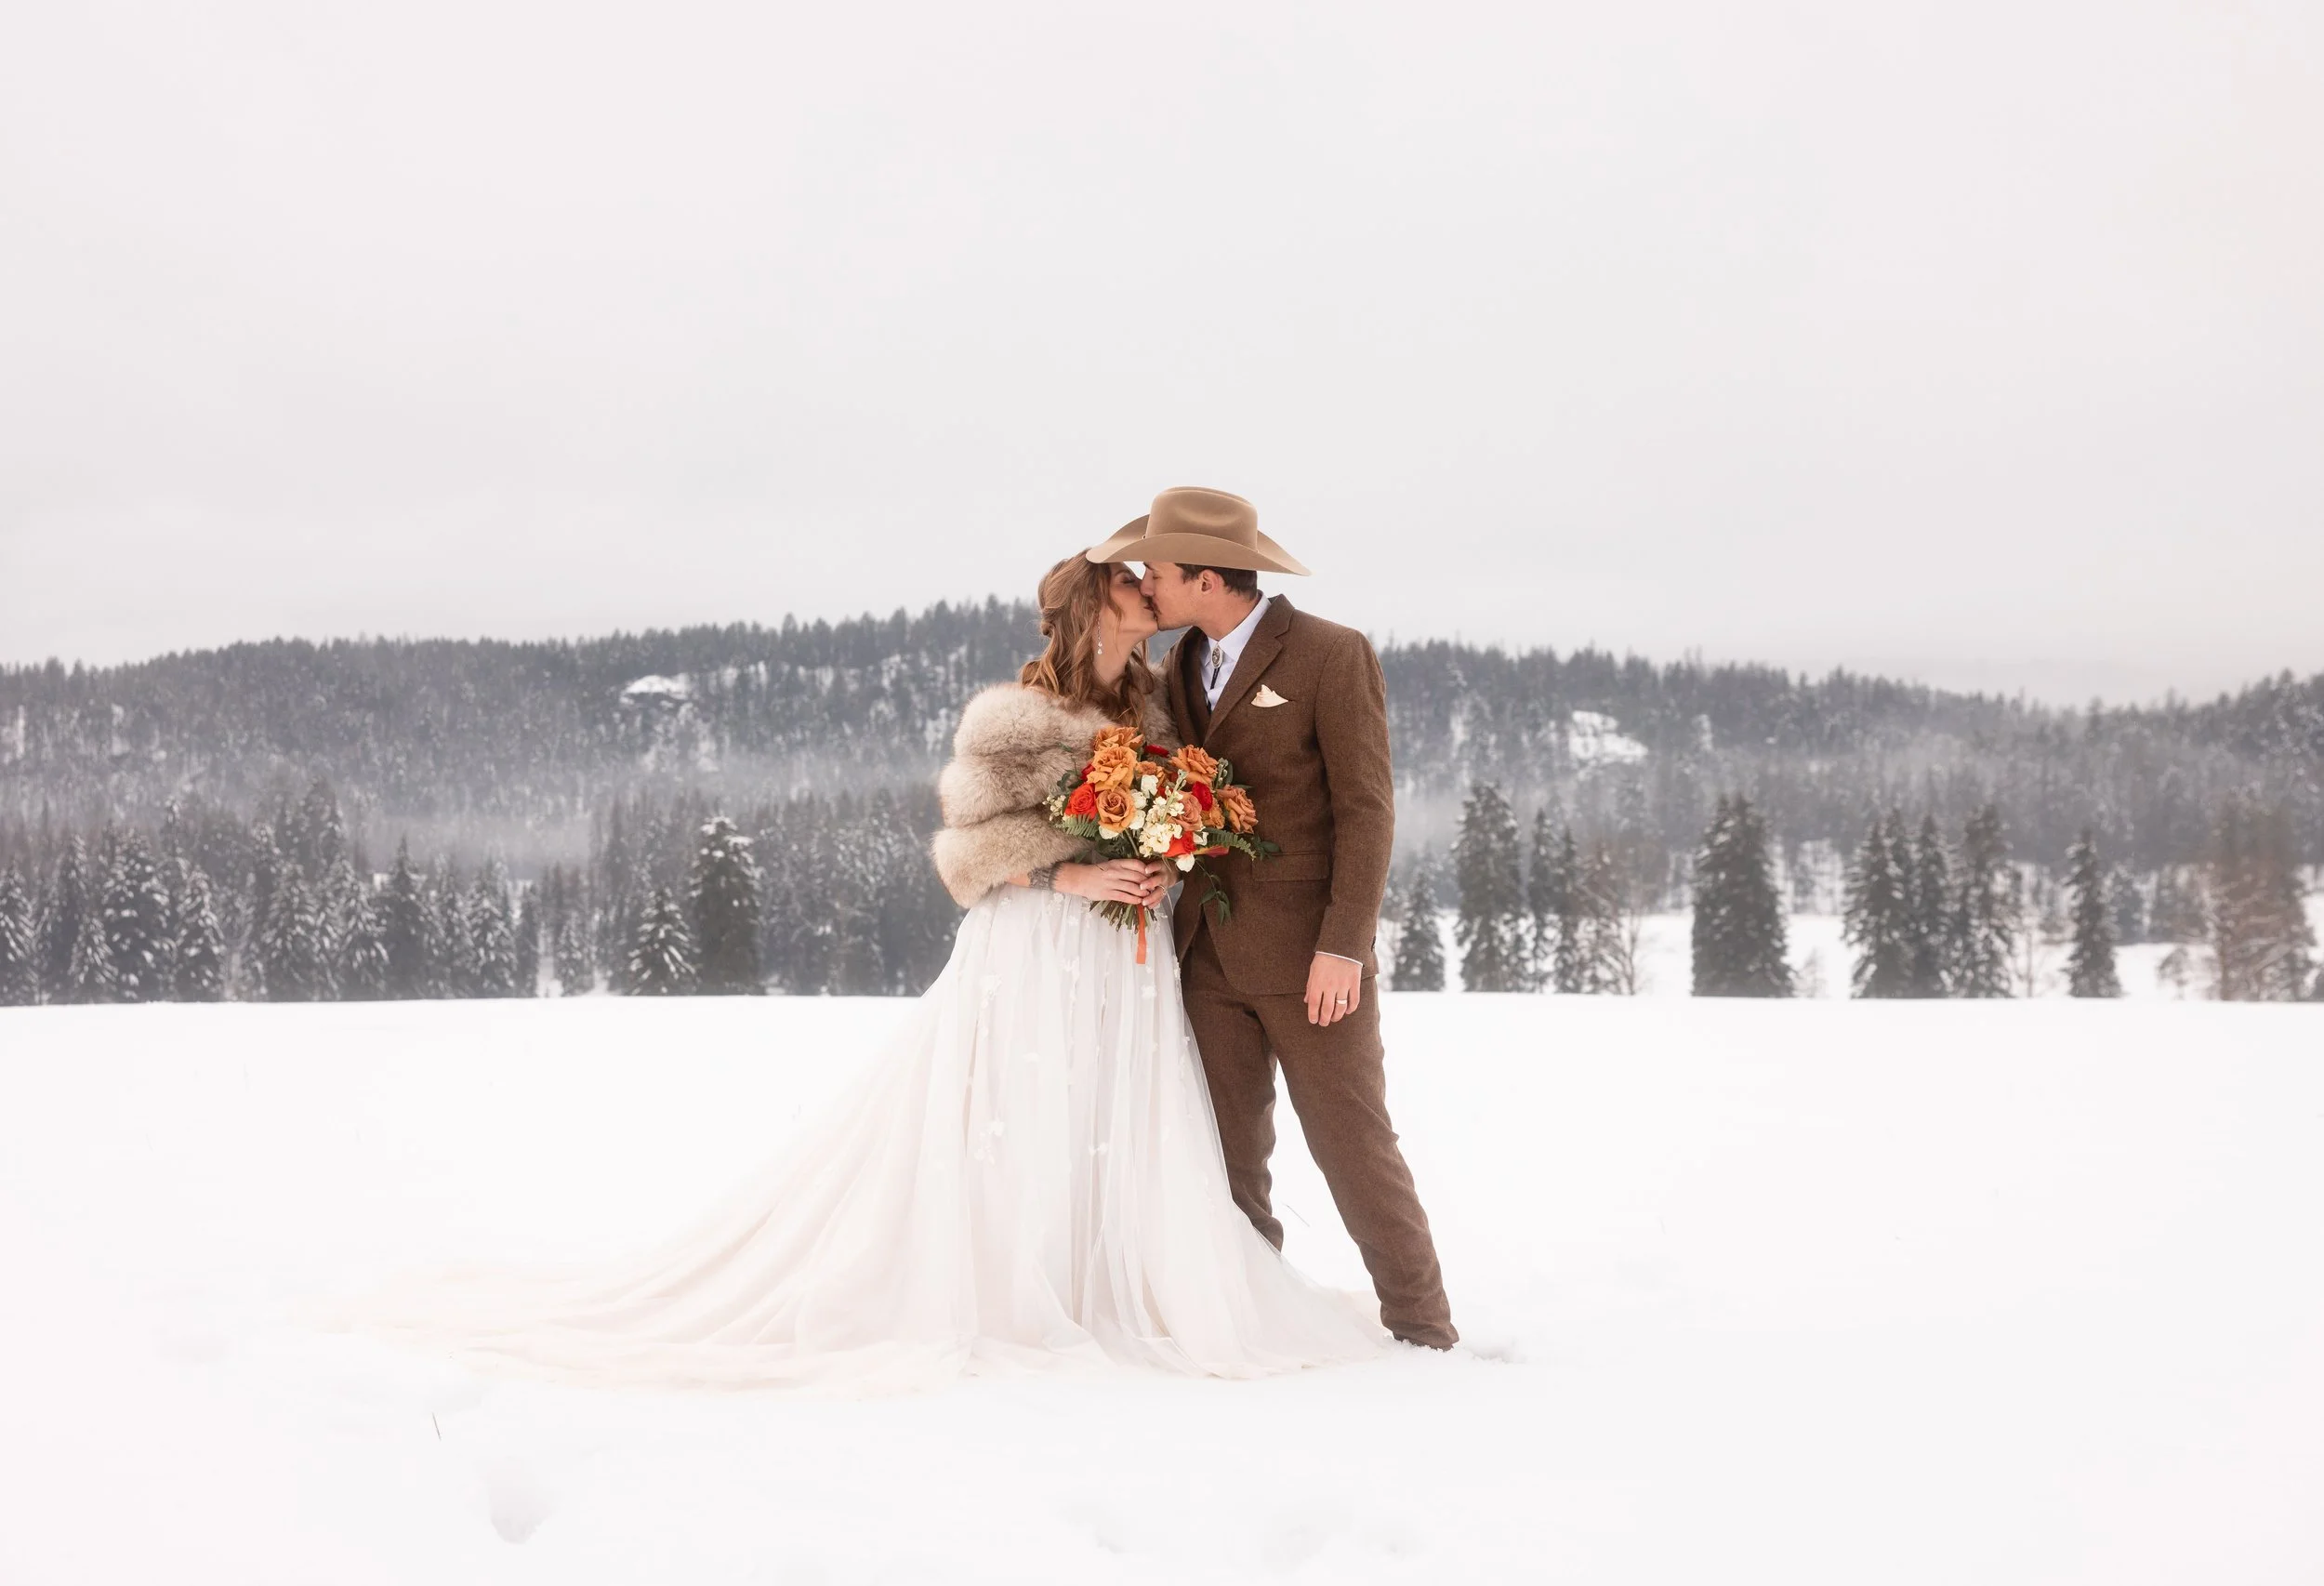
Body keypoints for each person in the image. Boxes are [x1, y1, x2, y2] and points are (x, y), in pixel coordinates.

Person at [339, 551, 1382, 1392]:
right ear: (1090, 604)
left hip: (1124, 959)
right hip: (1035, 949)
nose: (1147, 583)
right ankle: (1013, 1289)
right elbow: (970, 852)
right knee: (1017, 1113)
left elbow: (1201, 802)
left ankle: (1112, 1278)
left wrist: (1156, 855)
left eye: (1150, 574)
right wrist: (1071, 877)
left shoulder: (1159, 714)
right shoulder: (1009, 719)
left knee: (1105, 1112)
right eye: (1127, 577)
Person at [1089, 486, 1458, 1350]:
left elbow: (1367, 811)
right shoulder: (1180, 663)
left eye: (1160, 570)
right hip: (1204, 955)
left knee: (1353, 1148)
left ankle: (1424, 1329)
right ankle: (1250, 1320)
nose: (1148, 581)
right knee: (1225, 1157)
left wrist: (1345, 948)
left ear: (1208, 578)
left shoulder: (1332, 654)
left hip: (1310, 964)